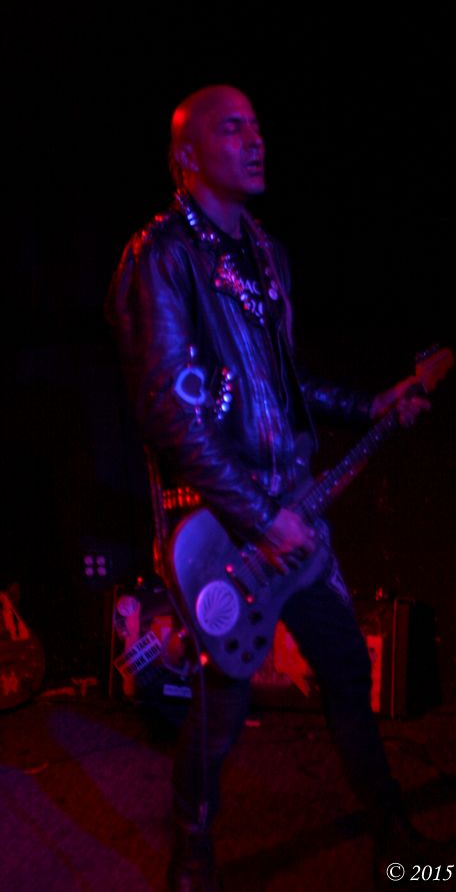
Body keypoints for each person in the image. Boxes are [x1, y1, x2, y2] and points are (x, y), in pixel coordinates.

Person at [106, 84, 433, 891]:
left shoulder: (267, 255)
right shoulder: (161, 256)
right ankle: (192, 855)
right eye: (232, 129)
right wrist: (257, 519)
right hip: (217, 527)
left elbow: (286, 386)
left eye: (257, 126)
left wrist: (371, 405)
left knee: (347, 673)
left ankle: (393, 831)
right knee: (220, 707)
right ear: (187, 156)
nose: (255, 140)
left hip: (295, 512)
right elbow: (168, 414)